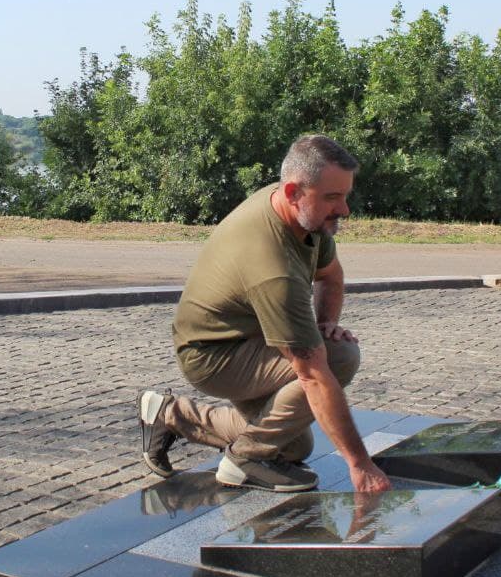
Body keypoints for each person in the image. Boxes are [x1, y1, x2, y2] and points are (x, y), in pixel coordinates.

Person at [138, 134, 393, 494]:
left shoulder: (303, 216)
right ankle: (245, 460)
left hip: (247, 338)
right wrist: (360, 464)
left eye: (345, 195)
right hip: (213, 354)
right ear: (292, 192)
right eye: (333, 198)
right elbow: (314, 376)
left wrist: (325, 324)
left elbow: (331, 276)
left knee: (294, 446)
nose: (345, 209)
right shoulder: (273, 266)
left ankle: (170, 415)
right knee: (339, 358)